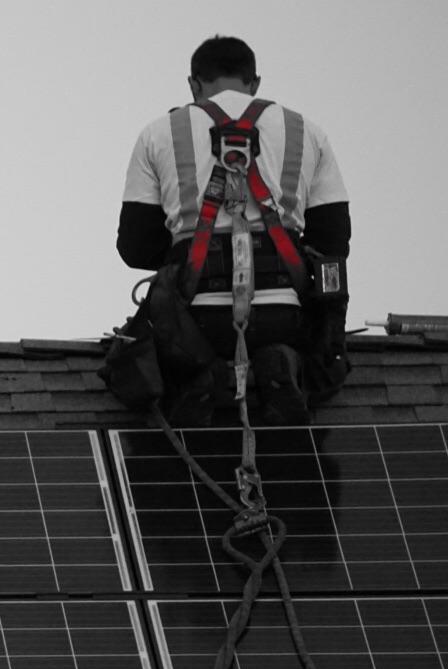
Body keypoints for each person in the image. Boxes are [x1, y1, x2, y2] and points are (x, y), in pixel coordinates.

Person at [118, 36, 351, 425]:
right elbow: (332, 241)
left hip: (196, 319)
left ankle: (201, 374)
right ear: (254, 82)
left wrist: (189, 250)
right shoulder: (306, 131)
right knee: (320, 353)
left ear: (194, 84)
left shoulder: (159, 133)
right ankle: (283, 362)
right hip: (284, 315)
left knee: (142, 360)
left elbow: (135, 246)